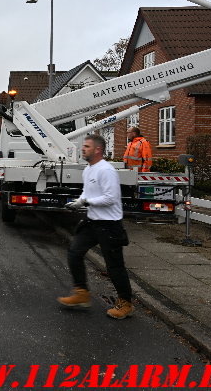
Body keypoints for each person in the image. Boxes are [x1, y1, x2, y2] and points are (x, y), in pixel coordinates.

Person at [59, 134, 134, 320]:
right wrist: (80, 200)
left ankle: (125, 303)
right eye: (83, 146)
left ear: (97, 150)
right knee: (74, 253)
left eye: (86, 146)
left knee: (114, 266)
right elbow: (87, 192)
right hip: (92, 222)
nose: (82, 149)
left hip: (109, 225)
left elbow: (111, 198)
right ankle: (82, 293)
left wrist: (85, 202)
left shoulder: (106, 170)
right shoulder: (88, 169)